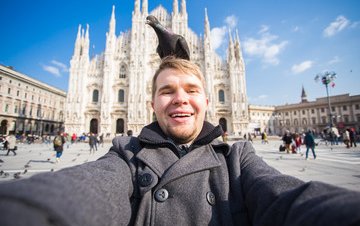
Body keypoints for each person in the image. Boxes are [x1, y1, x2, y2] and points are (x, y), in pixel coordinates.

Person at [0, 57, 360, 225]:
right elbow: (88, 188)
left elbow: (285, 197)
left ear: (207, 100)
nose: (180, 99)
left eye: (192, 90)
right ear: (152, 103)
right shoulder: (126, 155)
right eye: (167, 91)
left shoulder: (238, 158)